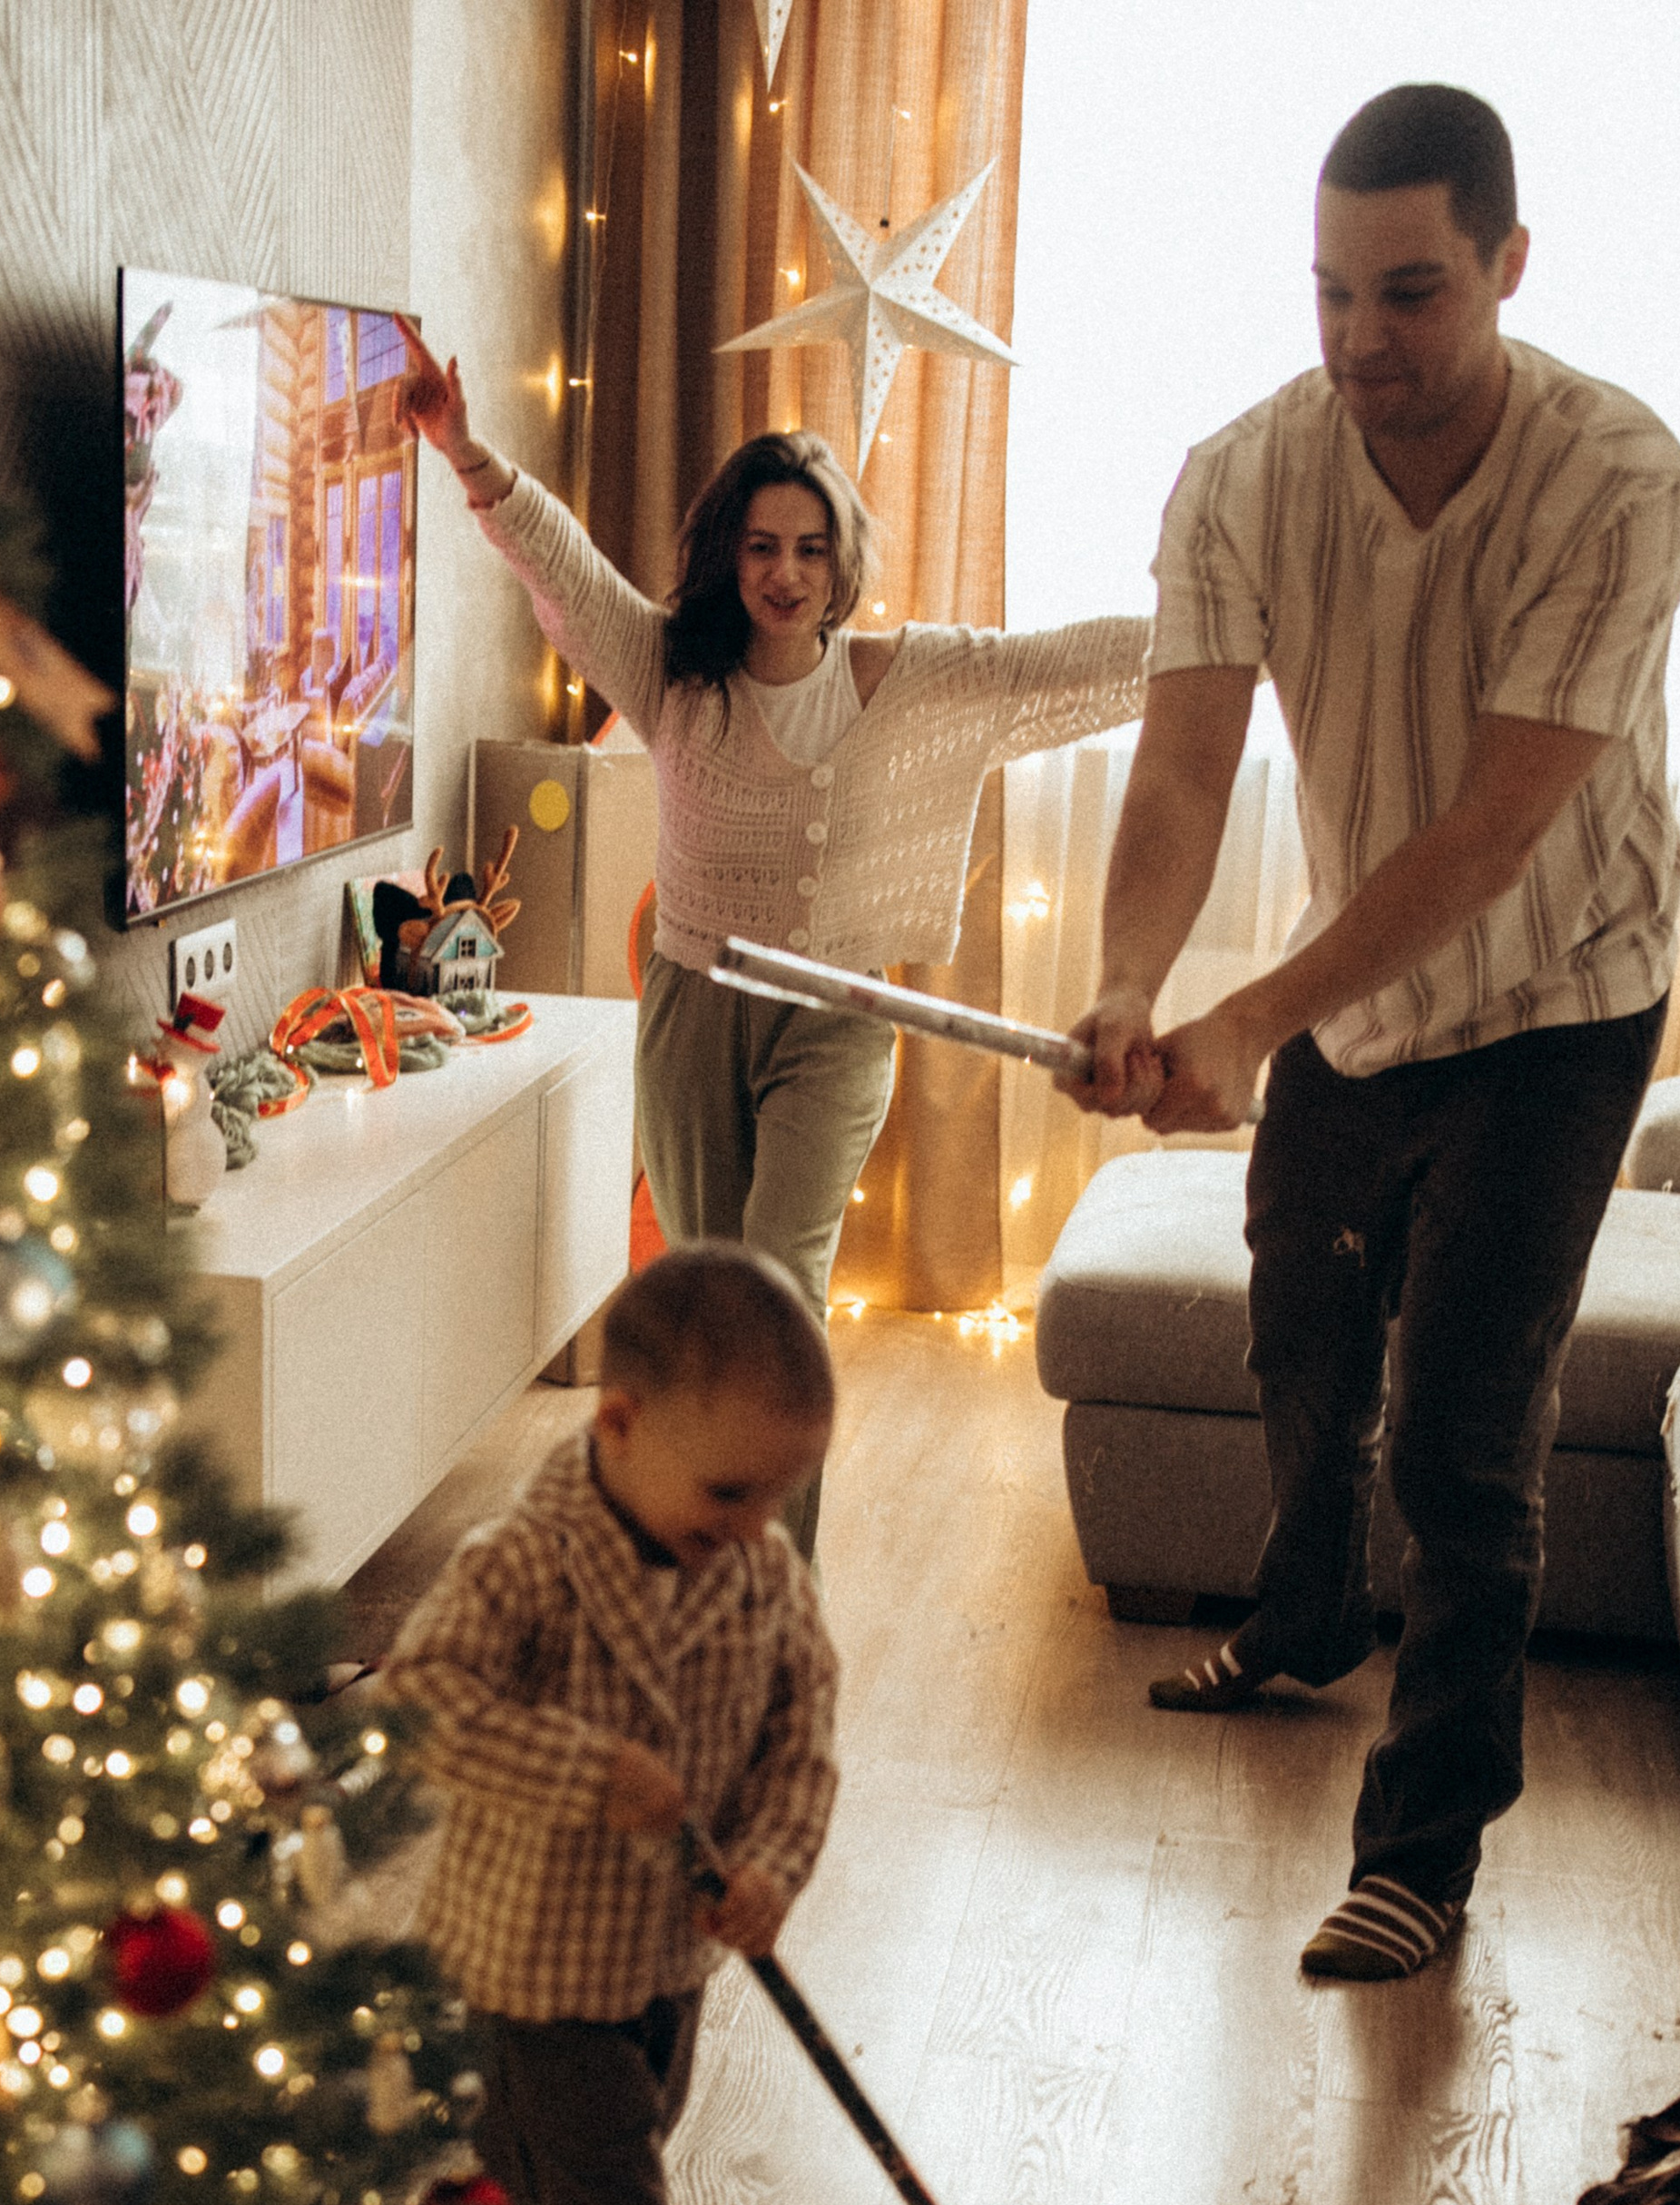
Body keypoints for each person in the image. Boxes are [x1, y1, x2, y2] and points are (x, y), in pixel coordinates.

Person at [1070, 83, 1680, 1983]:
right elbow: (1181, 774)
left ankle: (1422, 1848)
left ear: (1506, 264)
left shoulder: (1617, 476)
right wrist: (1125, 982)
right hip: (1358, 985)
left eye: (1409, 293)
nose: (1359, 342)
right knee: (1297, 1325)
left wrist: (1250, 1016)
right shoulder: (1241, 472)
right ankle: (1300, 1618)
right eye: (1329, 294)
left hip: (1560, 994)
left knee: (1461, 1432)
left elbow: (1491, 831)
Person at [401, 324, 1147, 1560]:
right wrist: (464, 449)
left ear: (841, 561)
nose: (786, 573)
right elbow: (561, 566)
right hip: (697, 1006)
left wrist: (1225, 638)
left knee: (780, 1291)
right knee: (708, 1300)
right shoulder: (671, 674)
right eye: (762, 546)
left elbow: (1057, 670)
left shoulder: (906, 679)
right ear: (727, 556)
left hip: (839, 1022)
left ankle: (767, 1589)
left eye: (810, 547)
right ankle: (694, 1559)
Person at [383, 1245, 840, 2205]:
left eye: (778, 1497)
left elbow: (804, 1734)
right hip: (527, 1982)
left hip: (664, 1973)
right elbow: (422, 1702)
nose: (755, 1522)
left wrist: (768, 1864)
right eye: (728, 1491)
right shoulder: (526, 1560)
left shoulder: (755, 1571)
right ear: (619, 1422)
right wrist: (586, 1772)